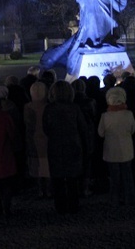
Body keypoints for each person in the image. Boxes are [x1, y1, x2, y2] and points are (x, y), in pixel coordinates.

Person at [43, 81, 88, 214]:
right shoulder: (74, 108)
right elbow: (82, 128)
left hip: (55, 146)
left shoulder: (49, 109)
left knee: (57, 179)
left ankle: (60, 206)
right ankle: (73, 205)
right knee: (72, 179)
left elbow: (46, 128)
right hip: (73, 144)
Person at [98, 87, 135, 206]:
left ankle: (114, 199)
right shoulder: (129, 114)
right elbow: (133, 130)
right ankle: (129, 198)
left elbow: (100, 133)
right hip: (126, 150)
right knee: (127, 175)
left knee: (114, 177)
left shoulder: (105, 116)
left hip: (111, 151)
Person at [24, 82, 51, 198]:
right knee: (47, 165)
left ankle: (41, 189)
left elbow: (27, 124)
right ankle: (49, 190)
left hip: (34, 138)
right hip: (47, 138)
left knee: (37, 165)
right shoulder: (49, 106)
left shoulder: (28, 107)